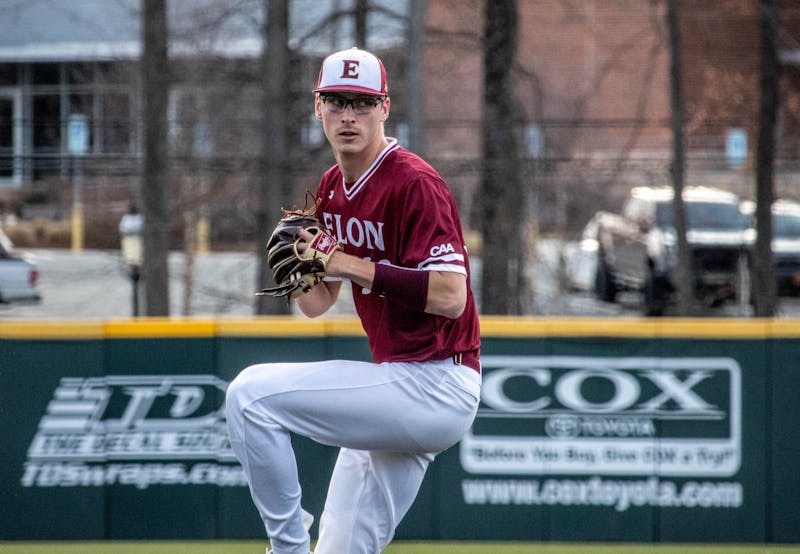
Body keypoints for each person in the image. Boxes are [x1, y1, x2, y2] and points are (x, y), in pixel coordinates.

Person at [225, 47, 481, 554]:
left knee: (249, 396)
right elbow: (318, 305)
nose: (348, 116)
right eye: (336, 101)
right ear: (316, 107)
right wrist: (300, 270)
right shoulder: (331, 187)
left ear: (385, 108)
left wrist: (341, 261)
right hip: (398, 394)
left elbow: (451, 297)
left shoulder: (414, 182)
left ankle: (286, 547)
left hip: (435, 382)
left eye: (361, 103)